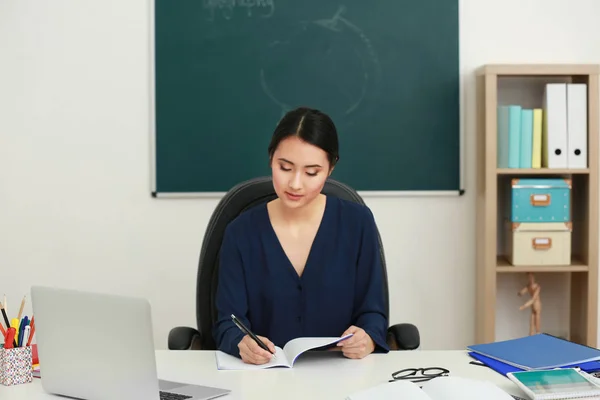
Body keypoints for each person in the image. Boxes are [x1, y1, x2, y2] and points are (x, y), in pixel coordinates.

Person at [212, 106, 390, 365]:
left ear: (330, 169)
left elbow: (373, 314)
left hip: (341, 376)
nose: (295, 183)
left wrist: (368, 337)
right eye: (285, 168)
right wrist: (242, 343)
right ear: (271, 158)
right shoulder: (240, 232)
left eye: (311, 172)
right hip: (265, 379)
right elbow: (227, 323)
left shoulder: (357, 222)